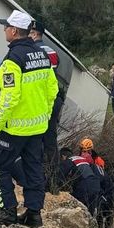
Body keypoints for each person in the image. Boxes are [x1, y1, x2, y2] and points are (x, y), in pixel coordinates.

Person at [0, 10, 59, 228]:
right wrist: (44, 117)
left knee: (0, 167)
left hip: (13, 129)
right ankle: (34, 215)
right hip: (37, 128)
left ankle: (8, 210)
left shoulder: (13, 60)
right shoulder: (42, 56)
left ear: (14, 31)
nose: (3, 30)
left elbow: (9, 97)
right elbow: (52, 91)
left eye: (6, 27)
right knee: (33, 169)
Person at [30, 18, 67, 192]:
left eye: (28, 32)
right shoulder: (51, 52)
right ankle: (53, 182)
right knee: (50, 141)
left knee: (35, 139)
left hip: (44, 99)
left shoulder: (34, 50)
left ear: (34, 33)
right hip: (54, 99)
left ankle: (36, 179)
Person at [61, 138, 103, 221]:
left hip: (89, 184)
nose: (84, 153)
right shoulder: (81, 158)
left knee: (82, 210)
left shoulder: (97, 161)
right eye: (83, 151)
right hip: (91, 184)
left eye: (86, 151)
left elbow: (100, 175)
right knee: (87, 214)